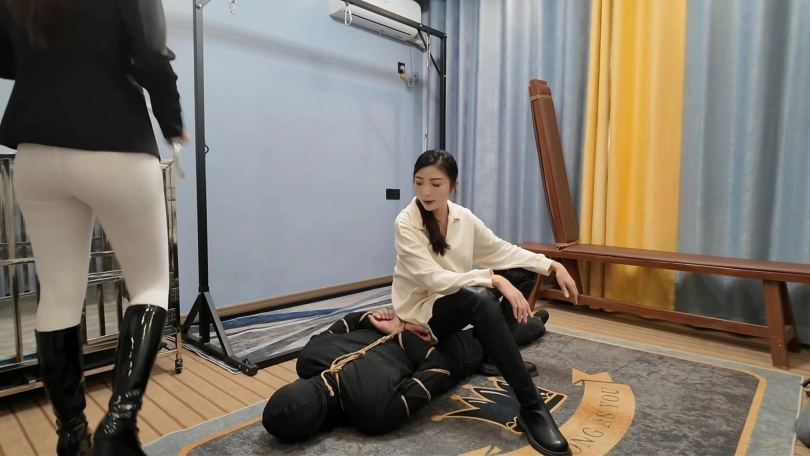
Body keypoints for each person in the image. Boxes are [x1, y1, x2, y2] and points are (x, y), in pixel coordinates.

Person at [0, 1, 187, 455]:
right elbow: (150, 53)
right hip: (115, 140)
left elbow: (7, 58)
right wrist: (172, 122)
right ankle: (119, 423)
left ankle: (72, 435)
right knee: (150, 285)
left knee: (58, 294)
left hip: (36, 150)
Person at [391, 150, 580, 456]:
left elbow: (502, 251)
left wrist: (551, 265)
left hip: (455, 297)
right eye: (419, 182)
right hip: (422, 310)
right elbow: (432, 279)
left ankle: (494, 356)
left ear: (453, 185)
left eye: (436, 184)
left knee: (522, 271)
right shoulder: (406, 222)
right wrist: (492, 279)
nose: (426, 191)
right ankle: (532, 408)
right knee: (481, 297)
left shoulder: (462, 218)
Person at [262, 307, 550, 443]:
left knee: (473, 308)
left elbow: (353, 320)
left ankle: (530, 319)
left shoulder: (371, 411)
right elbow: (439, 369)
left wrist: (382, 319)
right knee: (492, 338)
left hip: (412, 322)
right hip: (437, 347)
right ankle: (535, 322)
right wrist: (399, 332)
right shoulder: (372, 410)